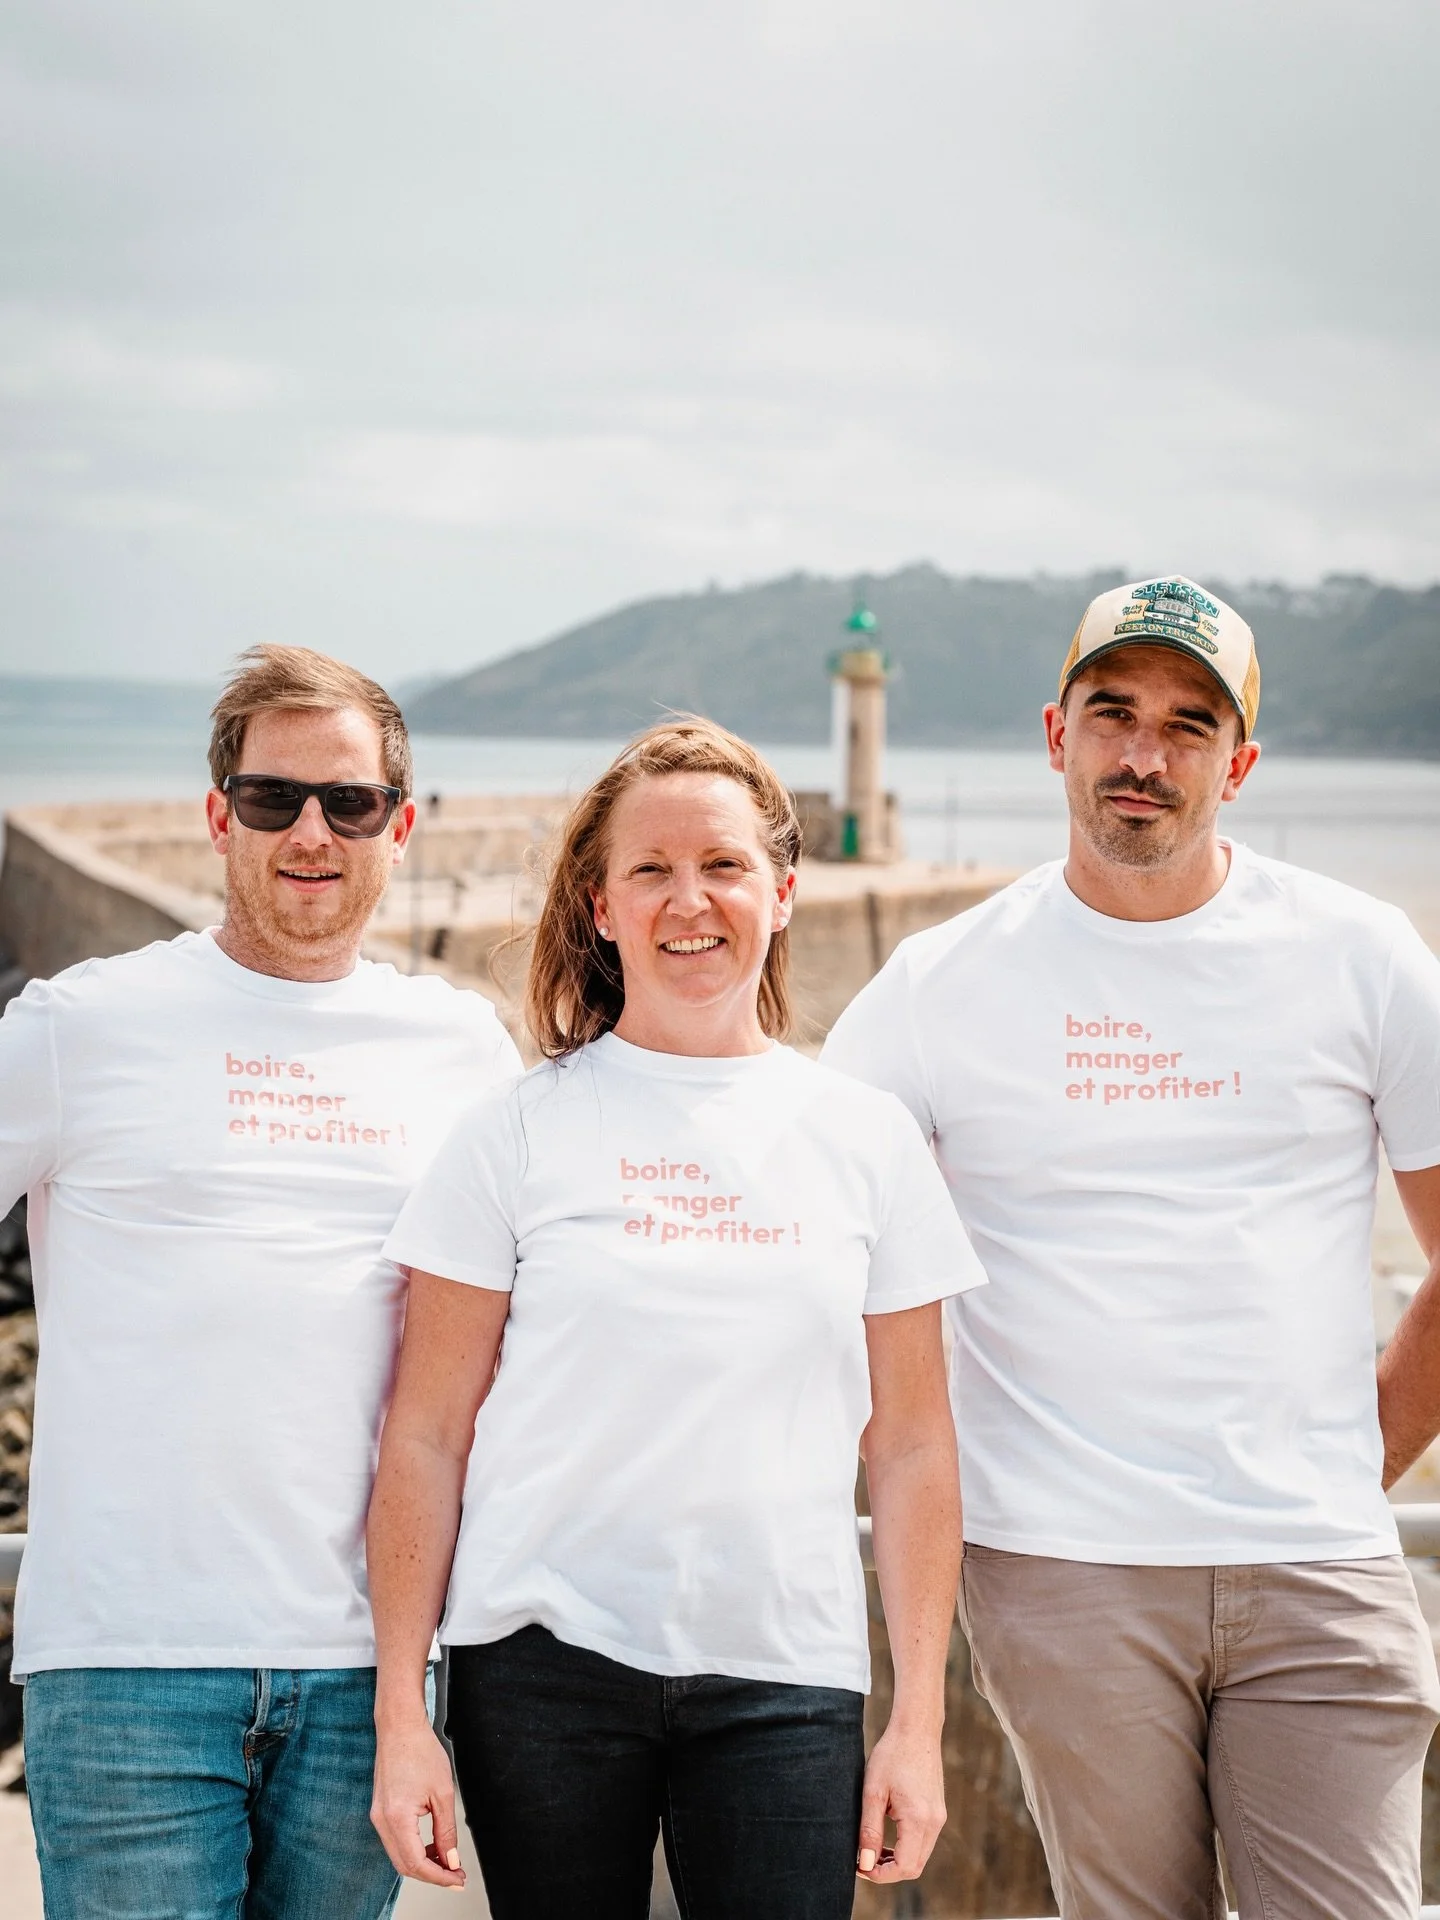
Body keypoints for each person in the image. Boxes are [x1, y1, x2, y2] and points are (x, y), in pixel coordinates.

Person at [823, 576, 1440, 1920]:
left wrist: (1359, 1458)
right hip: (1063, 1568)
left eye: (1188, 725)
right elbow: (807, 1233)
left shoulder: (1361, 956)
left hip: (1319, 1559)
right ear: (1058, 734)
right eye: (1113, 713)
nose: (1143, 755)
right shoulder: (938, 986)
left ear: (1240, 765)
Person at [366, 716, 985, 1918]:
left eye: (723, 865)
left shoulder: (867, 1142)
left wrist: (919, 1721)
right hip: (539, 1672)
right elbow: (426, 1435)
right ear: (602, 908)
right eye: (650, 869)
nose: (688, 900)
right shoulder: (515, 1132)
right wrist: (404, 1709)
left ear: (783, 893)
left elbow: (914, 1445)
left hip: (785, 1671)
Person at [2, 646, 521, 1920]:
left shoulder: (461, 1048)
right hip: (126, 1664)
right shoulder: (79, 1027)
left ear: (400, 827)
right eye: (273, 797)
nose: (311, 832)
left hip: (371, 1675)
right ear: (218, 815)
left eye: (349, 802)